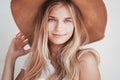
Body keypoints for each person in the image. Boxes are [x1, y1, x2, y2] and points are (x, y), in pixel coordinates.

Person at [2, 0, 107, 80]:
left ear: (75, 25)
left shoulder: (84, 60)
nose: (59, 28)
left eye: (67, 21)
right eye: (51, 19)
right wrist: (11, 57)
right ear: (43, 23)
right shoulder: (35, 60)